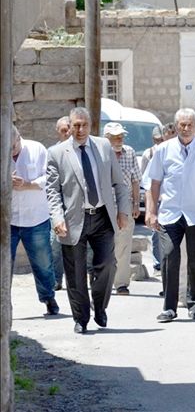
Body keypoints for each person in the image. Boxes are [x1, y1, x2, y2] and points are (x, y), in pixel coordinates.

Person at [46, 107, 130, 334]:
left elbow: (119, 184)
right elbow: (52, 190)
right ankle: (81, 318)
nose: (80, 129)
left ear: (91, 125)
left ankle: (100, 307)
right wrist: (57, 217)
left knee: (106, 265)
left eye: (84, 125)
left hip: (102, 216)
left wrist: (123, 211)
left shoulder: (104, 147)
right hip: (74, 219)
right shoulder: (56, 153)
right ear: (69, 126)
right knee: (75, 272)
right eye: (76, 125)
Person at [146, 108, 195, 323]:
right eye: (182, 125)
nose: (186, 129)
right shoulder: (164, 150)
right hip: (170, 213)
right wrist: (151, 211)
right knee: (169, 256)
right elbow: (154, 182)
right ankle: (169, 307)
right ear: (176, 126)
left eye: (190, 125)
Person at [11, 125, 59, 315]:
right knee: (4, 264)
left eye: (13, 147)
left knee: (43, 262)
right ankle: (4, 304)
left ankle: (49, 298)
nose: (11, 151)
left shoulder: (37, 149)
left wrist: (27, 185)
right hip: (8, 219)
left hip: (35, 217)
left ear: (18, 138)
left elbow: (49, 177)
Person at [103, 122, 141, 296]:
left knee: (124, 245)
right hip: (103, 206)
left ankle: (121, 283)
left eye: (121, 136)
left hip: (124, 206)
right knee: (104, 245)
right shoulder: (100, 153)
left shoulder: (130, 152)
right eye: (115, 137)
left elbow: (135, 180)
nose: (119, 140)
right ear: (107, 138)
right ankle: (103, 280)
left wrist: (135, 204)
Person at [50, 116, 71, 290]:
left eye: (69, 129)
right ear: (58, 132)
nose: (67, 133)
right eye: (63, 130)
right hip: (58, 205)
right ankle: (57, 279)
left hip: (77, 205)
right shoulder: (52, 152)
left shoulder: (80, 150)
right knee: (55, 244)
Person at [141, 124, 165, 275]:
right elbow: (145, 180)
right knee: (155, 233)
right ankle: (157, 264)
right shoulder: (148, 154)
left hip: (167, 197)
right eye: (156, 140)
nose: (158, 142)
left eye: (160, 139)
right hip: (155, 197)